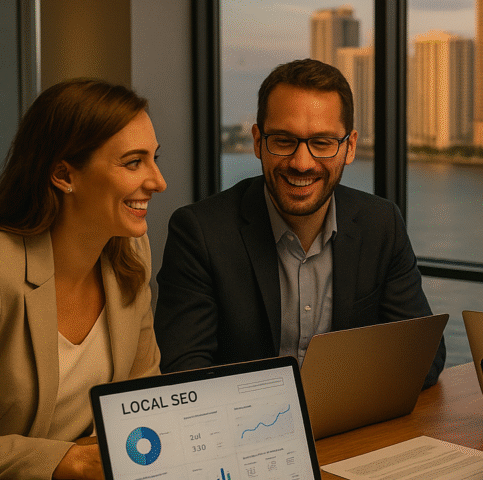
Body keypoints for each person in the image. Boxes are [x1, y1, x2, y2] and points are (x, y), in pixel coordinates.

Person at [155, 59, 444, 386]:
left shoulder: (381, 224)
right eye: (283, 140)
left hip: (349, 428)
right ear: (257, 141)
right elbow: (184, 373)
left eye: (322, 143)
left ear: (349, 147)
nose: (301, 163)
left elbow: (424, 359)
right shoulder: (199, 233)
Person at [0, 79, 167, 480]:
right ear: (63, 174)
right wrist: (72, 460)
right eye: (133, 162)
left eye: (154, 159)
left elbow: (146, 403)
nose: (158, 181)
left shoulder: (130, 254)